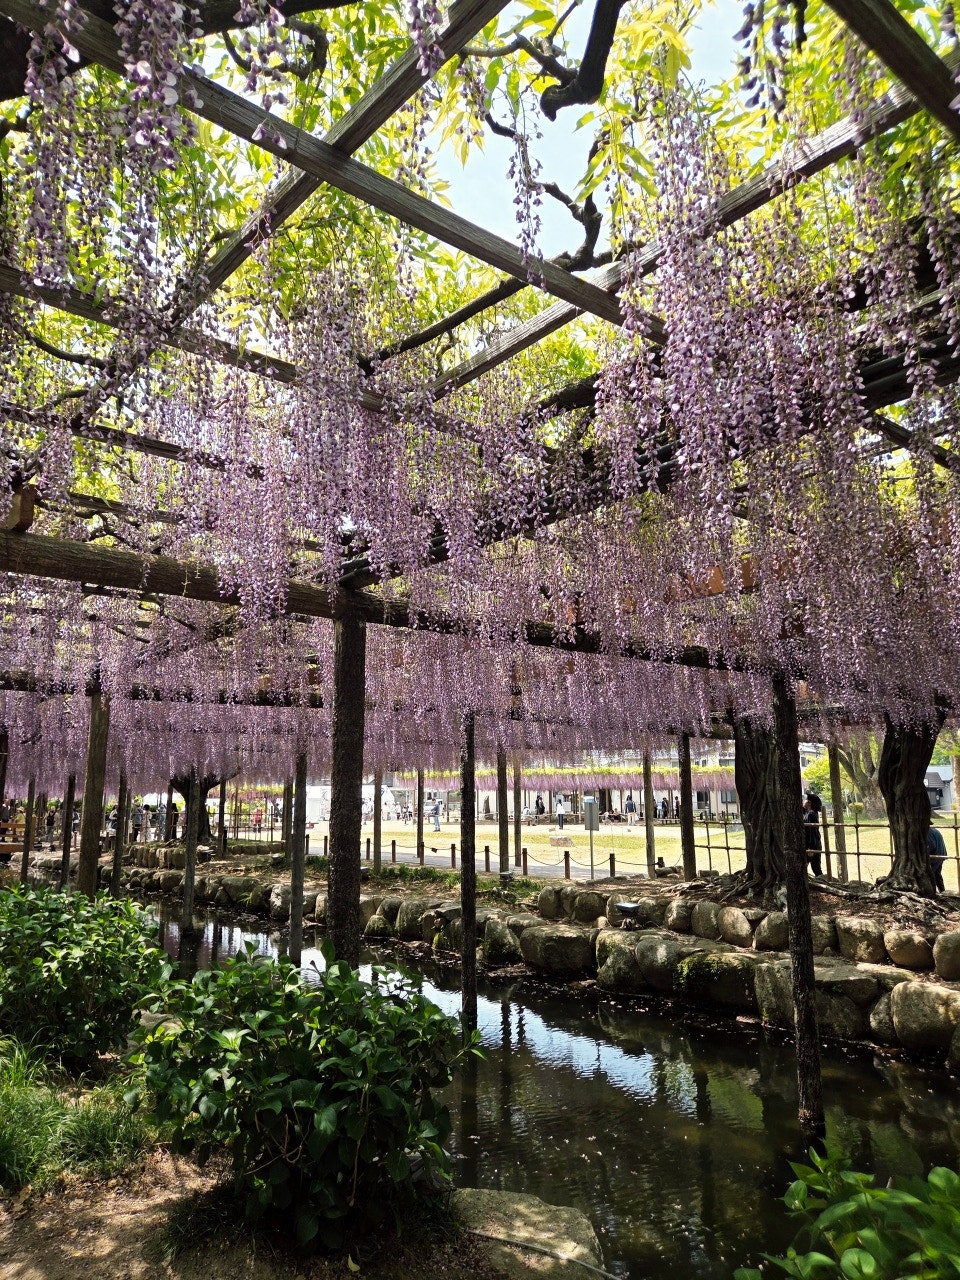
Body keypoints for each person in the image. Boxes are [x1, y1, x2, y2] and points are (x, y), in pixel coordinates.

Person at [804, 792, 823, 876]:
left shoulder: (811, 814)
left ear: (809, 802)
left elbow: (812, 832)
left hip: (812, 845)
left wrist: (811, 848)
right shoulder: (811, 813)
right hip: (816, 844)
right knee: (816, 868)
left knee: (812, 867)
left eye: (805, 800)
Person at [928, 819, 947, 894]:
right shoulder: (935, 830)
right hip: (941, 855)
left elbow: (931, 846)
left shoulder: (928, 832)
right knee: (937, 874)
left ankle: (932, 892)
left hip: (935, 857)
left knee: (930, 874)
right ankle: (942, 891)